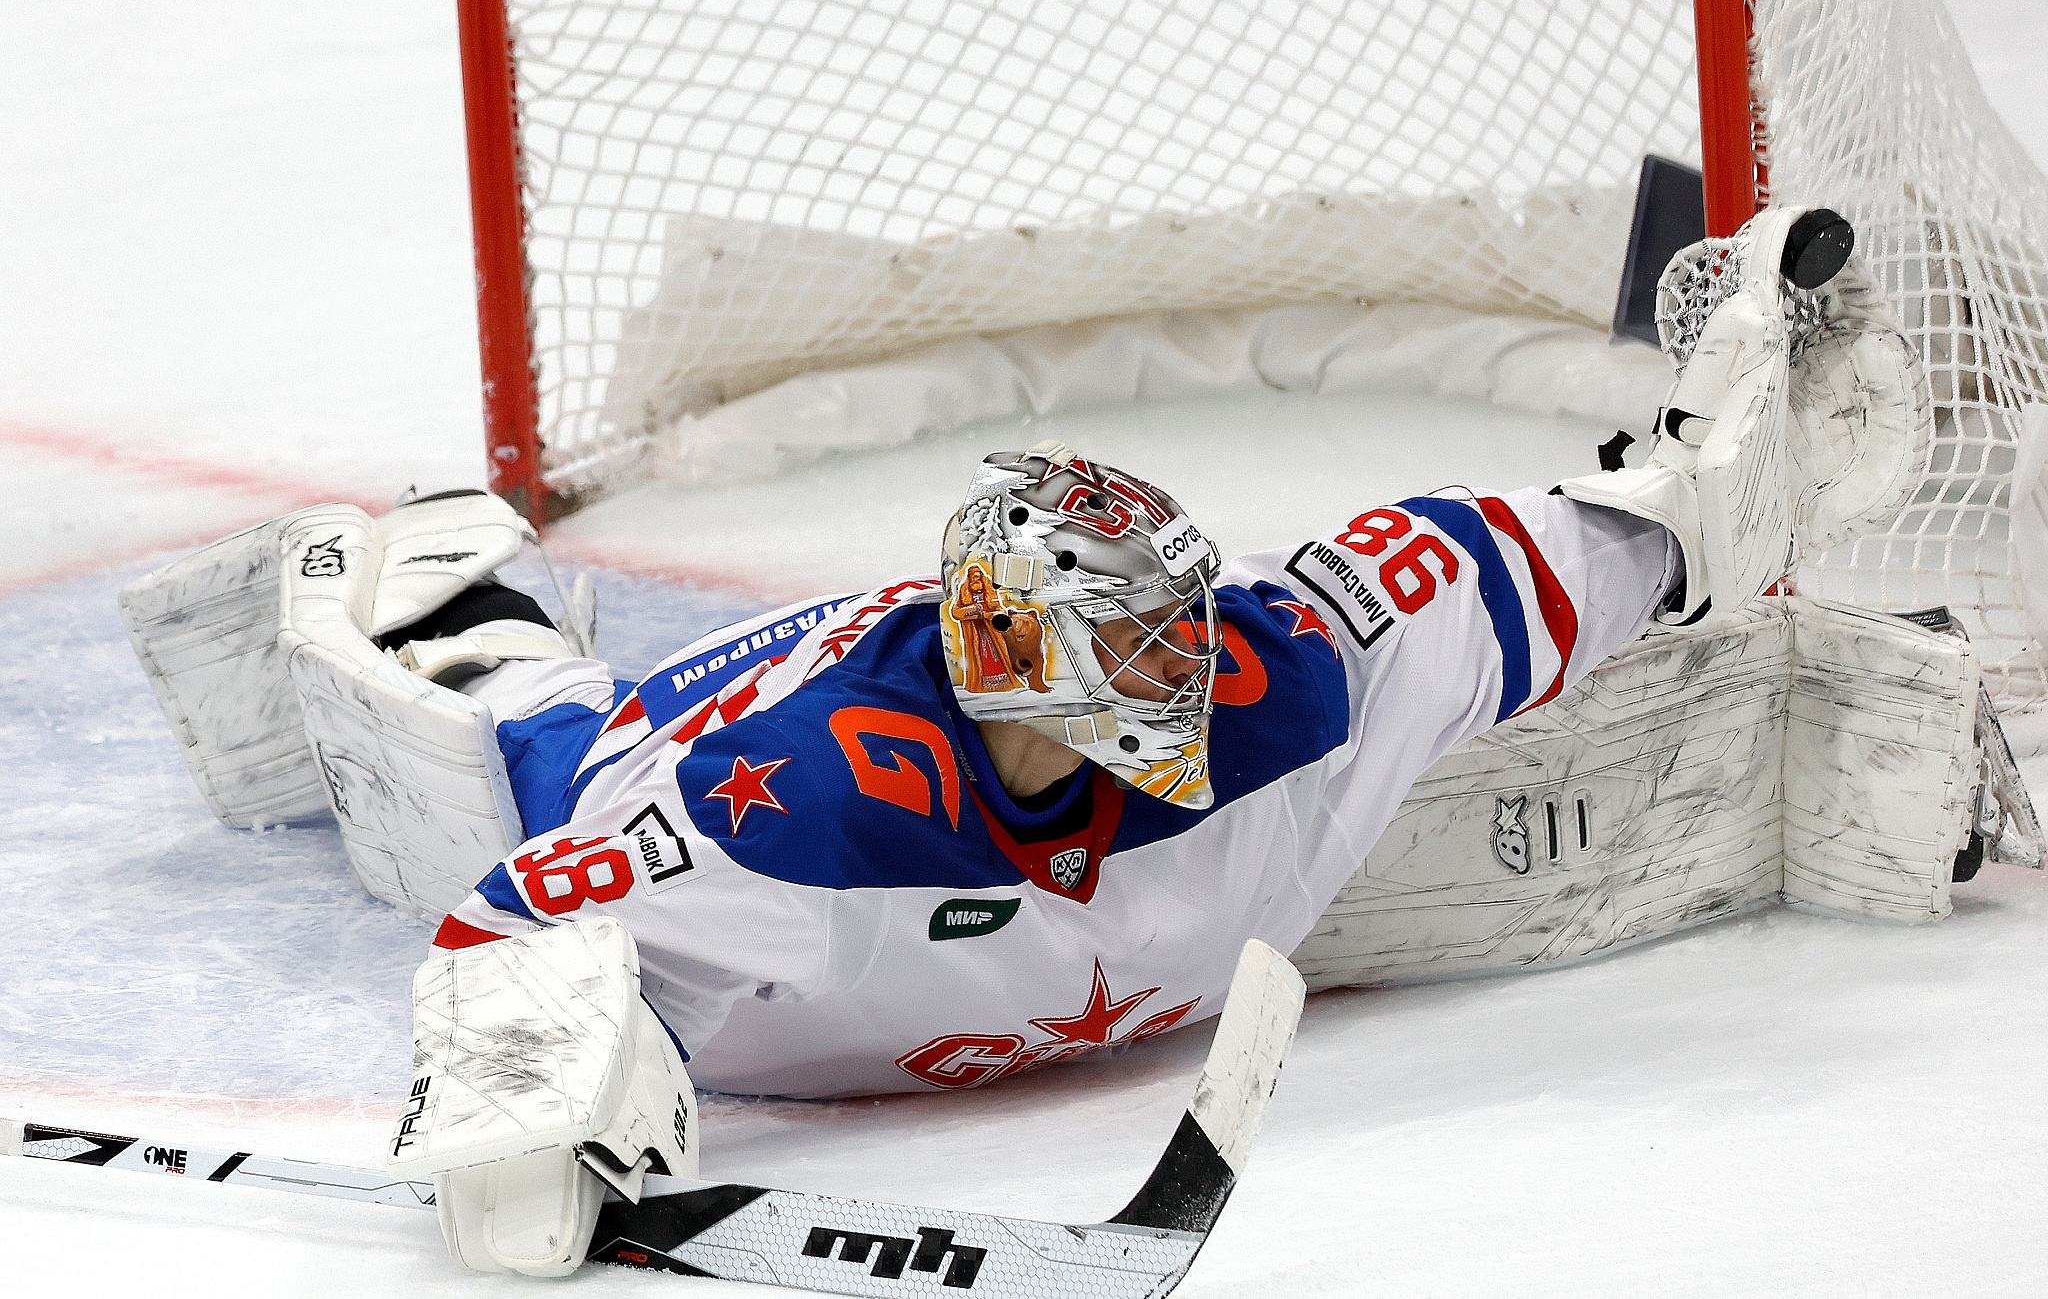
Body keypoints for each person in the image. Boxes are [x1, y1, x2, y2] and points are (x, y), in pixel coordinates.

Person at [121, 207, 1937, 1276]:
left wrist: (1700, 498)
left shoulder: (1290, 672)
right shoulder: (779, 820)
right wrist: (543, 1120)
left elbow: (1489, 556)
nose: (1177, 671)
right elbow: (518, 917)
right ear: (1006, 658)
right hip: (705, 735)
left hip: (996, 883)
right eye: (1124, 643)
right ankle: (451, 597)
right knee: (535, 735)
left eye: (1178, 623)